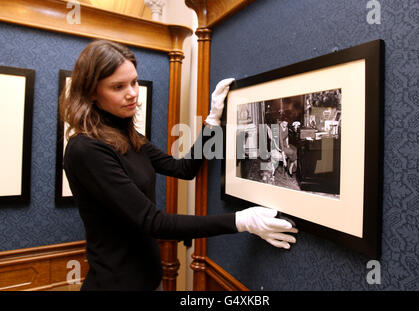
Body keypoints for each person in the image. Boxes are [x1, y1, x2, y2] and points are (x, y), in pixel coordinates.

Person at [60, 40, 298, 291]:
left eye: (133, 82)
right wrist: (241, 221)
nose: (132, 92)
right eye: (118, 87)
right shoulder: (86, 149)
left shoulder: (128, 137)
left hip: (149, 281)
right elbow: (153, 222)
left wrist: (212, 121)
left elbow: (183, 169)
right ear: (91, 93)